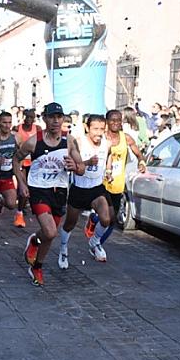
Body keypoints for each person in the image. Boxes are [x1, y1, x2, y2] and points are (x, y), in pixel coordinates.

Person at [14, 103, 73, 285]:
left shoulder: (69, 141)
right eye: (51, 117)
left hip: (59, 190)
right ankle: (37, 263)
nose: (56, 121)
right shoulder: (34, 141)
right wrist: (22, 184)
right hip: (38, 189)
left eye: (59, 117)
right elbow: (16, 160)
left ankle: (36, 259)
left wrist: (76, 166)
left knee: (49, 235)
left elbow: (80, 167)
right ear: (45, 119)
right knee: (50, 231)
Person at [84, 109, 146, 243]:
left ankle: (95, 227)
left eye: (118, 120)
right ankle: (96, 244)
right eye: (112, 120)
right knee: (106, 215)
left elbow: (139, 154)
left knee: (112, 220)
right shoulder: (101, 137)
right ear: (107, 122)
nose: (116, 123)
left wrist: (141, 162)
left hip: (117, 183)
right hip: (102, 182)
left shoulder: (126, 138)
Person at [59, 114, 112, 268]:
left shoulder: (107, 144)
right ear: (87, 128)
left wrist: (108, 171)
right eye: (95, 129)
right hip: (79, 189)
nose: (99, 133)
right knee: (70, 224)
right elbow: (71, 165)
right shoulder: (79, 142)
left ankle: (95, 242)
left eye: (102, 129)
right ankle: (63, 248)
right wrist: (87, 162)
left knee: (106, 219)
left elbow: (108, 157)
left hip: (97, 188)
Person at [13, 109, 39, 228]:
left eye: (31, 117)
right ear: (23, 117)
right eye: (27, 117)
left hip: (34, 163)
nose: (29, 120)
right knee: (22, 186)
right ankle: (20, 212)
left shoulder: (37, 129)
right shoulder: (17, 128)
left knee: (32, 186)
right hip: (22, 162)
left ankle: (29, 205)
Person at [0, 111, 18, 215]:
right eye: (4, 122)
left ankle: (0, 201)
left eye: (9, 122)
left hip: (7, 175)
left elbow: (20, 156)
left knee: (11, 204)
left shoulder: (16, 137)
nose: (7, 125)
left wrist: (18, 171)